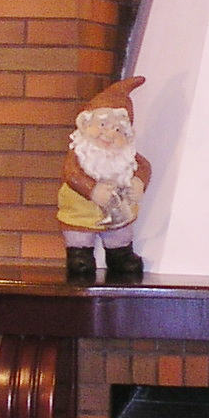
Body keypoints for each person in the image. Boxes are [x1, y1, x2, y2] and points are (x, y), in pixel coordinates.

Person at [59, 75, 150, 282]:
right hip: (80, 212)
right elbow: (72, 174)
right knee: (79, 238)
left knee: (120, 236)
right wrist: (92, 190)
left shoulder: (127, 156)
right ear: (84, 123)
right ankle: (80, 255)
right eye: (102, 125)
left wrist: (139, 182)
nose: (109, 135)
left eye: (118, 130)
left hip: (119, 214)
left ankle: (120, 256)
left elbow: (144, 167)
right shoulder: (80, 154)